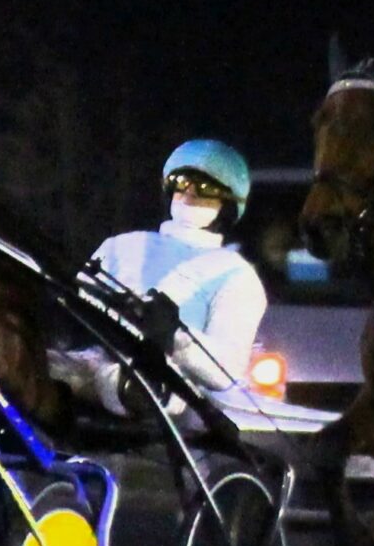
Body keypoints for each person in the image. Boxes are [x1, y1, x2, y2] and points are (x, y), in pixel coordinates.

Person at [80, 138, 271, 404]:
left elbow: (225, 371)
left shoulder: (237, 276)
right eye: (181, 182)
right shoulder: (119, 246)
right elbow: (72, 307)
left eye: (205, 187)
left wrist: (174, 337)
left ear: (228, 202)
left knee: (135, 388)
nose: (190, 192)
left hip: (162, 395)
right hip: (85, 367)